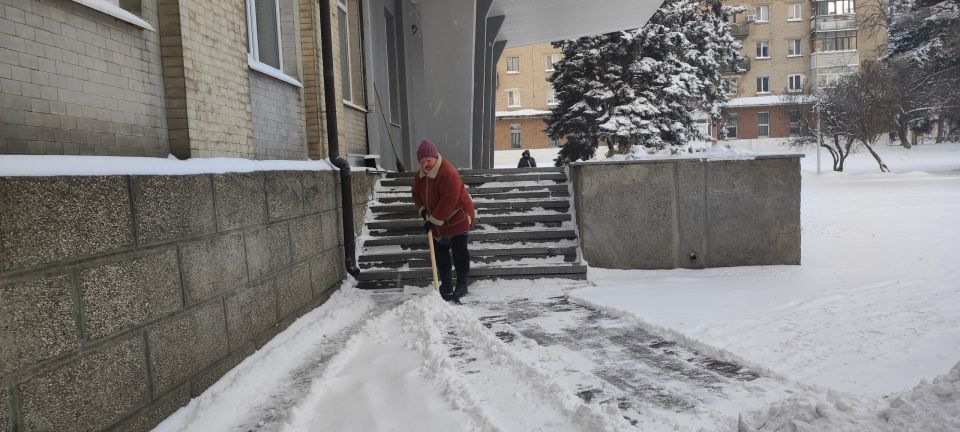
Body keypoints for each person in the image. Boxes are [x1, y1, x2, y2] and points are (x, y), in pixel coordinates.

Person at [412, 139, 476, 301]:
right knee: (441, 253)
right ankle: (446, 284)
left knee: (459, 250)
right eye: (422, 161)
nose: (425, 164)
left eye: (428, 160)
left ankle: (462, 284)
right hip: (438, 220)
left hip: (457, 217)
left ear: (435, 158)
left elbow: (449, 200)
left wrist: (432, 221)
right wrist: (424, 211)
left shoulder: (448, 172)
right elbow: (416, 194)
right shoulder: (420, 176)